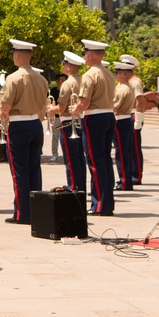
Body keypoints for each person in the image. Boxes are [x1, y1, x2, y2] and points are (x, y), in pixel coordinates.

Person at [0, 40, 46, 225]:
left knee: (19, 172)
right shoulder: (41, 78)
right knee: (34, 169)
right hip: (35, 123)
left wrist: (3, 117)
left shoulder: (13, 78)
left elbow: (5, 107)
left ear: (17, 56)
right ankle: (36, 210)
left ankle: (22, 213)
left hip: (19, 125)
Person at [71, 39, 116, 216]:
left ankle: (99, 204)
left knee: (95, 162)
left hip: (94, 118)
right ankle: (107, 203)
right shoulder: (109, 73)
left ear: (90, 55)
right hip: (108, 116)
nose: (84, 57)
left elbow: (85, 102)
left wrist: (75, 109)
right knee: (104, 160)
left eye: (85, 54)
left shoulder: (90, 75)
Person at [48, 51, 85, 190]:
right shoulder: (83, 80)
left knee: (70, 158)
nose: (63, 68)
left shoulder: (67, 83)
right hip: (79, 121)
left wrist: (51, 109)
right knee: (80, 158)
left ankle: (73, 186)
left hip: (68, 123)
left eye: (65, 65)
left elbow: (61, 107)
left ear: (69, 67)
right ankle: (80, 186)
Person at [111, 61, 137, 191]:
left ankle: (124, 181)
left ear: (124, 74)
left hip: (120, 121)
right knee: (124, 152)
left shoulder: (122, 89)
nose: (116, 75)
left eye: (118, 73)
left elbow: (114, 107)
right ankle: (125, 180)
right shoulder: (128, 87)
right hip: (126, 120)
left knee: (121, 153)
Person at [120, 55, 145, 184]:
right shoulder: (127, 82)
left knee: (134, 148)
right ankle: (131, 174)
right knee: (128, 147)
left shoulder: (134, 82)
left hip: (133, 114)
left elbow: (140, 101)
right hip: (127, 114)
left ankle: (136, 175)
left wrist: (138, 120)